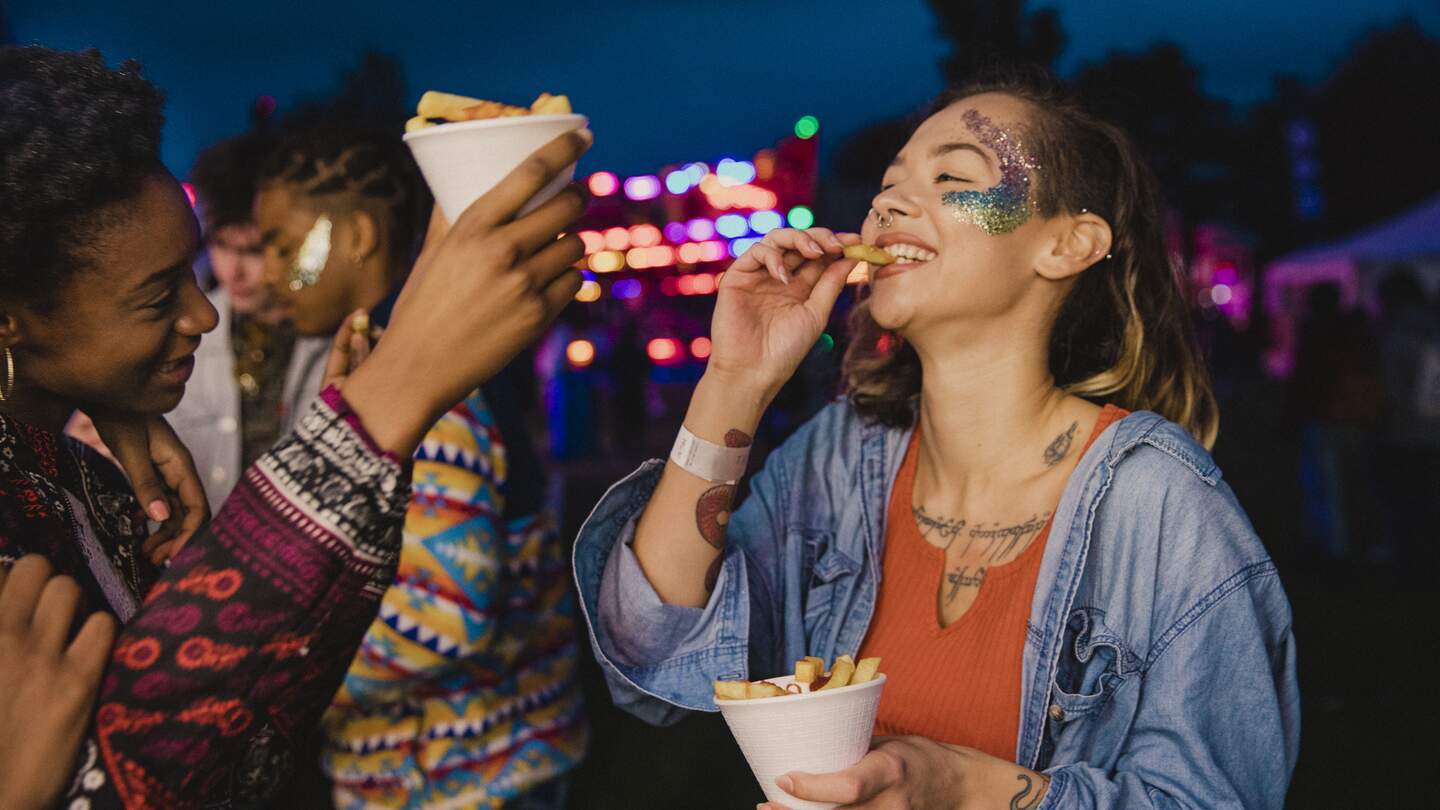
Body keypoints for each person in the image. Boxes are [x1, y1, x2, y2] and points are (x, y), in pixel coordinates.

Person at [573, 68, 1298, 808]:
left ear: (1068, 244)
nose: (886, 204)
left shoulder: (1160, 502)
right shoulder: (837, 459)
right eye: (889, 185)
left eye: (952, 176)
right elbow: (654, 659)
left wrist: (960, 789)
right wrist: (736, 379)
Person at [0, 45, 590, 807]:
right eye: (155, 297)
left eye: (275, 249)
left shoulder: (81, 470)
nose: (208, 313)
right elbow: (147, 737)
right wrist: (386, 401)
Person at [253, 124, 587, 808]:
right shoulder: (398, 360)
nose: (268, 273)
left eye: (284, 245)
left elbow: (443, 616)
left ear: (357, 235)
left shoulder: (420, 382)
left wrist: (279, 680)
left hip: (461, 779)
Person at [170, 132, 325, 514]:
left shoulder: (328, 337)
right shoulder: (178, 332)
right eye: (221, 244)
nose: (233, 270)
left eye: (254, 250)